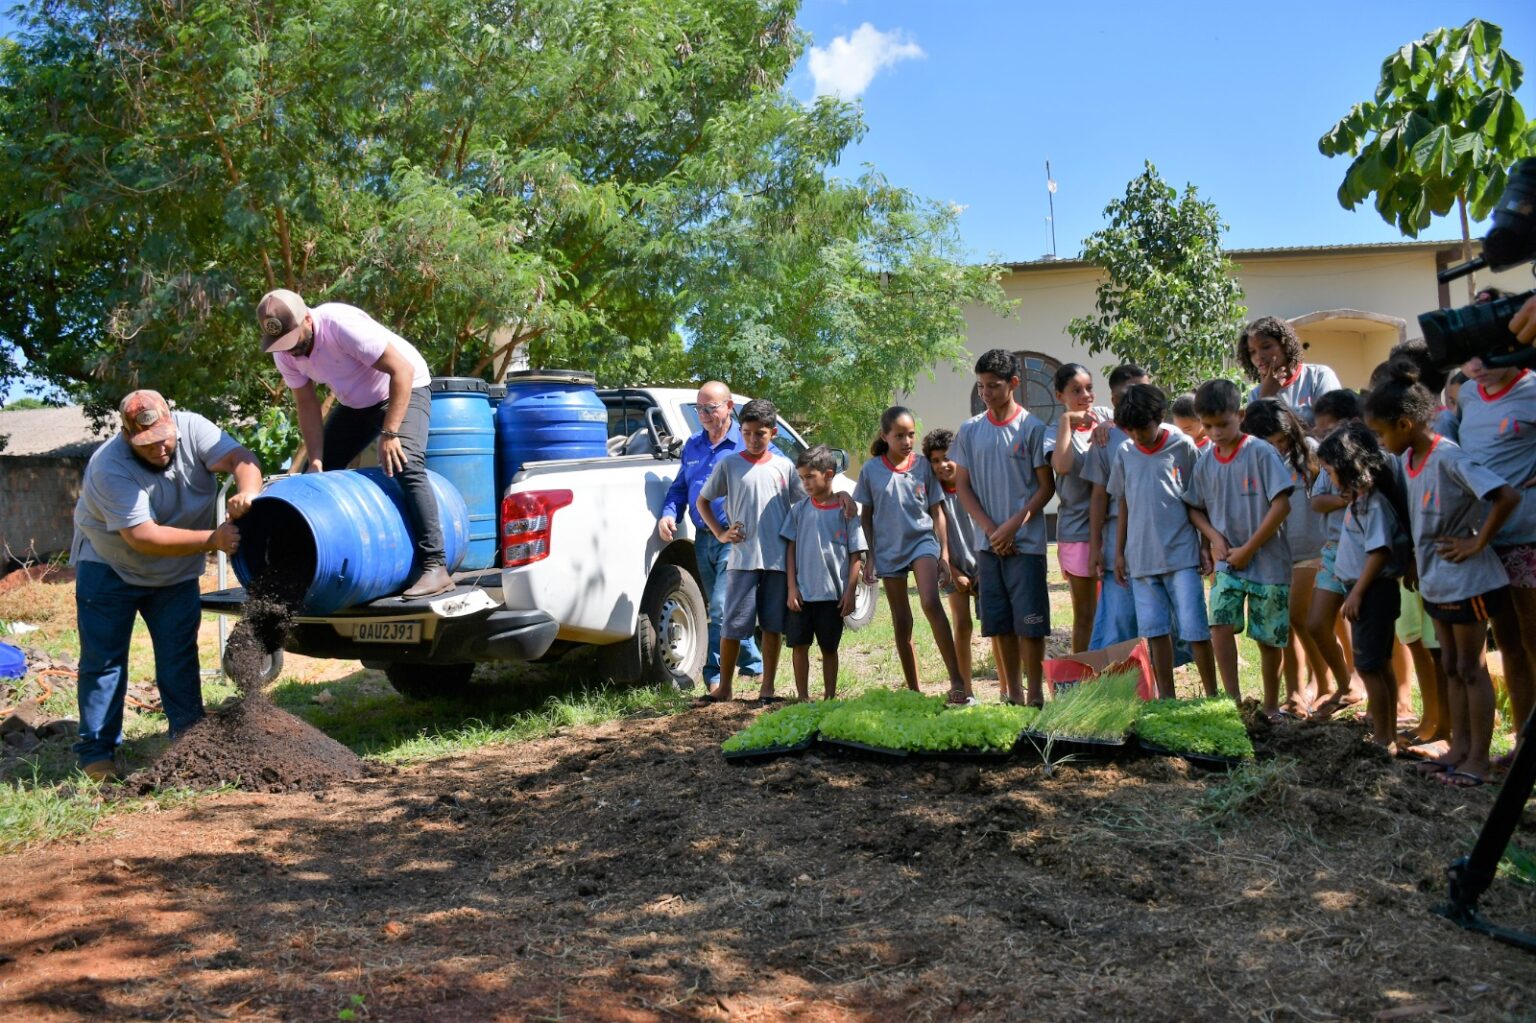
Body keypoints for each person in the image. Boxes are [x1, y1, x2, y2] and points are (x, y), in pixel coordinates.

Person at [70, 390, 263, 782]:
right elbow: (142, 536)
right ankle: (97, 753)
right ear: (127, 437)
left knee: (178, 656)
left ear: (174, 422)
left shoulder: (194, 429)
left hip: (174, 573)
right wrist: (212, 540)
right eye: (146, 443)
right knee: (104, 661)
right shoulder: (109, 466)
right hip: (110, 568)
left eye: (164, 437)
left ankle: (189, 741)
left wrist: (249, 491)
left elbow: (241, 460)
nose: (159, 448)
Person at [1364, 358, 1519, 788]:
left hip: (1468, 581)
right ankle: (1459, 749)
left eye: (1381, 433)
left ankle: (1480, 760)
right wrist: (1415, 558)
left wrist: (1477, 541)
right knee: (1450, 664)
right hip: (1435, 580)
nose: (1379, 441)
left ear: (1405, 422)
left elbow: (1505, 496)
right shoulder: (1409, 459)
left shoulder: (1448, 457)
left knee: (1472, 667)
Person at [257, 289, 451, 598]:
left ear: (308, 318)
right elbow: (307, 406)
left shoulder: (341, 325)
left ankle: (435, 565)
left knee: (406, 463)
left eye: (295, 340)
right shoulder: (284, 353)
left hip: (403, 387)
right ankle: (304, 565)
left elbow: (402, 370)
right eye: (282, 345)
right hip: (357, 404)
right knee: (314, 478)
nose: (291, 350)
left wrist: (390, 434)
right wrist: (318, 459)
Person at [951, 350, 1055, 706]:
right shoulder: (969, 430)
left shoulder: (1032, 428)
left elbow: (1045, 487)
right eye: (981, 387)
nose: (986, 394)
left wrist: (1013, 526)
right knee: (1000, 625)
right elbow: (962, 487)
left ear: (1014, 383)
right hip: (988, 546)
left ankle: (1036, 696)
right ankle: (1012, 694)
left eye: (993, 386)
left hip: (1026, 546)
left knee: (1030, 625)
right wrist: (992, 530)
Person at [1183, 379, 1294, 709]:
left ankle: (1271, 705)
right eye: (1209, 426)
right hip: (1227, 562)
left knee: (1268, 637)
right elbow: (1194, 507)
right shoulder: (1205, 461)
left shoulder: (1260, 452)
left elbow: (1282, 504)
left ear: (1240, 415)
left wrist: (1249, 549)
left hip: (1269, 562)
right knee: (1219, 623)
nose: (1216, 432)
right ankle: (1232, 702)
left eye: (1223, 424)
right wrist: (1214, 538)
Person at [1107, 384, 1216, 698]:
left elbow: (1198, 499)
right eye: (1131, 431)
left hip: (1182, 555)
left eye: (1144, 428)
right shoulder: (1125, 453)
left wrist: (1204, 546)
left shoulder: (1182, 445)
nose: (1138, 436)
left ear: (1159, 417)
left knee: (1195, 627)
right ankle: (1166, 697)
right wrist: (1119, 553)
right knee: (1154, 631)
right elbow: (1124, 502)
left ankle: (1211, 695)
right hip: (1140, 559)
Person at [857, 407, 970, 702]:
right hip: (888, 548)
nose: (907, 441)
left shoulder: (922, 466)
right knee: (901, 619)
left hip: (922, 542)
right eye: (899, 436)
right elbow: (865, 516)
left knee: (931, 602)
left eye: (910, 435)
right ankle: (914, 690)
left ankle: (957, 682)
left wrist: (944, 553)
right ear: (885, 436)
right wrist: (869, 556)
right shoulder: (871, 470)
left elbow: (937, 511)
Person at [657, 381, 764, 689]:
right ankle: (753, 662)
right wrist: (668, 513)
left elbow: (781, 467)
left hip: (736, 539)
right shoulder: (692, 445)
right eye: (699, 407)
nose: (703, 413)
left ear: (729, 407)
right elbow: (680, 487)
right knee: (723, 609)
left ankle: (713, 676)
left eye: (710, 407)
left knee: (718, 607)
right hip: (703, 539)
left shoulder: (747, 440)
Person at [1453, 353, 1536, 750]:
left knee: (1535, 641)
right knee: (1509, 644)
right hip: (1484, 540)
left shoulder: (1532, 389)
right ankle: (1523, 747)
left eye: (1488, 353)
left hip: (1528, 535)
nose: (1477, 364)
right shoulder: (1468, 394)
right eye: (1469, 355)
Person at [696, 398, 803, 703]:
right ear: (741, 430)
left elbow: (804, 502)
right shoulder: (729, 464)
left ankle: (767, 687)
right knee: (732, 625)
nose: (754, 439)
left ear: (773, 433)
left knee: (771, 625)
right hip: (741, 559)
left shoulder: (785, 467)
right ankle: (725, 688)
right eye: (747, 433)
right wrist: (720, 532)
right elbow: (703, 501)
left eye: (761, 433)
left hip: (777, 560)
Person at [1317, 422, 1412, 751]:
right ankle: (1387, 735)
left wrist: (1357, 593)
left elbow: (1379, 551)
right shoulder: (1359, 500)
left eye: (1330, 471)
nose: (1329, 479)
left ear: (1348, 467)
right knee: (1378, 664)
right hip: (1365, 591)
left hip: (1371, 592)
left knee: (1370, 667)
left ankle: (1385, 736)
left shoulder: (1372, 504)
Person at [1242, 398, 1327, 718]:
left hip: (1312, 548)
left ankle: (1326, 685)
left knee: (1302, 619)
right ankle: (1295, 693)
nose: (1278, 448)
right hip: (1278, 554)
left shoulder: (1310, 451)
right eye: (1271, 443)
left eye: (1282, 441)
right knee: (1287, 627)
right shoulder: (1254, 457)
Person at [782, 446, 867, 701]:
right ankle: (803, 697)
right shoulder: (798, 510)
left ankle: (830, 697)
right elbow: (790, 550)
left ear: (828, 474)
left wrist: (850, 591)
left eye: (810, 476)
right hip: (803, 595)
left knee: (829, 648)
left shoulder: (847, 512)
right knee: (799, 646)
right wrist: (791, 588)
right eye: (802, 477)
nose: (805, 483)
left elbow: (856, 555)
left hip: (833, 597)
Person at [1306, 389, 1366, 718]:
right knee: (1316, 623)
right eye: (1321, 431)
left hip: (1366, 555)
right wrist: (1346, 499)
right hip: (1332, 551)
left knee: (1366, 629)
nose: (1324, 436)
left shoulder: (1368, 461)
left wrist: (1344, 498)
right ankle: (1345, 685)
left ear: (1353, 423)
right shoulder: (1328, 461)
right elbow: (1317, 502)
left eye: (1330, 429)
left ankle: (1379, 697)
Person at [1082, 364, 1151, 650]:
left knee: (1157, 615)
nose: (1136, 399)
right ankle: (1120, 680)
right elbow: (1098, 497)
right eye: (1127, 394)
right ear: (1113, 401)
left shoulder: (1169, 436)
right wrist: (1096, 547)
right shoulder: (1105, 440)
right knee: (1119, 615)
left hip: (1158, 538)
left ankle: (1160, 681)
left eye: (1142, 391)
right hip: (1116, 539)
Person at [1048, 363, 1114, 653]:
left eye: (1089, 388)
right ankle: (1083, 676)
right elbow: (1062, 465)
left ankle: (1117, 672)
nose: (1085, 395)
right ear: (1060, 395)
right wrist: (1067, 421)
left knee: (1115, 611)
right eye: (1076, 390)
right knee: (1086, 614)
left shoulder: (1106, 417)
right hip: (1077, 533)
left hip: (1113, 528)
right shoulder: (1053, 431)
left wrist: (1106, 426)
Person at [924, 428, 987, 696]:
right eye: (935, 460)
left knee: (994, 625)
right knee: (962, 624)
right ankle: (965, 689)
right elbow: (936, 534)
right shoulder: (933, 496)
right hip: (953, 568)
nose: (942, 465)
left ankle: (1009, 688)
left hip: (985, 565)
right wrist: (954, 570)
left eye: (947, 458)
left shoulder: (975, 487)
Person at [1238, 315, 1342, 427]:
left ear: (1284, 345)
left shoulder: (1319, 376)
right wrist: (1265, 397)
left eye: (1266, 347)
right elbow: (1255, 437)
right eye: (1252, 352)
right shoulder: (1256, 395)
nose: (1259, 356)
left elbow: (1329, 428)